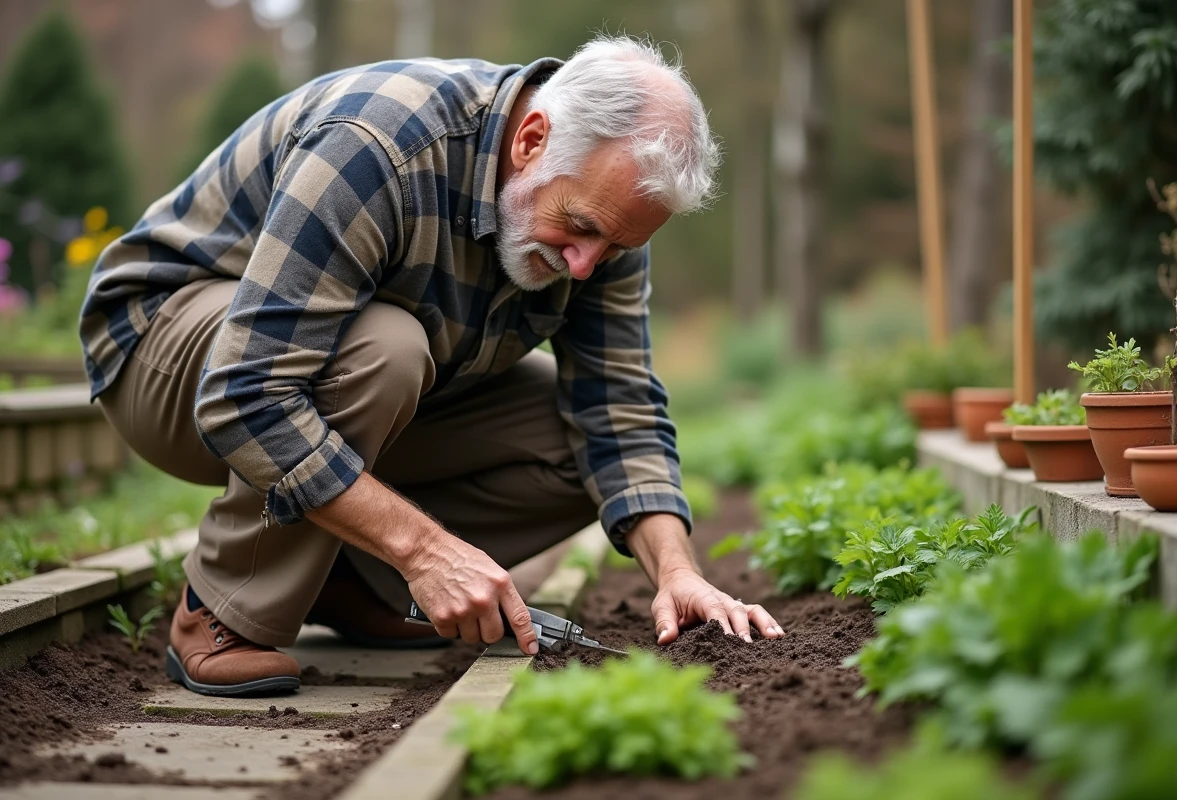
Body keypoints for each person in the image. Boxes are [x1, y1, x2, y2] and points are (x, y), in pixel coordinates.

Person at [79, 34, 783, 697]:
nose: (585, 265)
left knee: (575, 447)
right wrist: (424, 551)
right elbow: (245, 396)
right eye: (582, 229)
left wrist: (678, 570)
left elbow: (619, 408)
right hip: (166, 352)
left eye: (613, 247)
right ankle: (224, 609)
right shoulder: (378, 146)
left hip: (353, 382)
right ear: (532, 139)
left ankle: (339, 578)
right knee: (385, 348)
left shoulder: (605, 212)